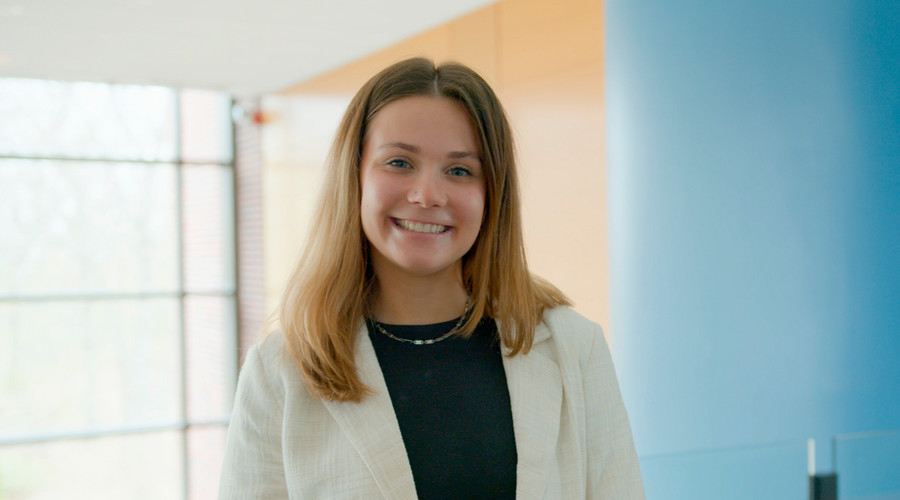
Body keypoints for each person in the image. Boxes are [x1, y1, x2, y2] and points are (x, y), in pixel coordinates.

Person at [219, 58, 644, 499]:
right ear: (355, 176)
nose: (427, 195)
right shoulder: (279, 371)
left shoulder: (573, 347)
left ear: (492, 193)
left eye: (460, 170)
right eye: (399, 162)